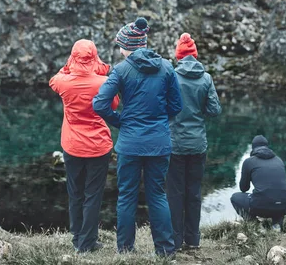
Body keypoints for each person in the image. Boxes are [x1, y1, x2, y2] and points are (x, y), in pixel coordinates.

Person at [92, 17, 183, 257]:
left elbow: (100, 104)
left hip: (130, 144)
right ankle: (165, 251)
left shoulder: (121, 70)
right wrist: (160, 121)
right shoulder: (166, 67)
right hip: (159, 143)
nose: (119, 49)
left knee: (126, 197)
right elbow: (176, 105)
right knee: (158, 195)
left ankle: (125, 250)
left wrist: (121, 122)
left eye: (120, 44)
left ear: (127, 46)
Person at [49, 39, 119, 253]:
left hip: (72, 145)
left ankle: (77, 237)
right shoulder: (103, 82)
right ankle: (87, 242)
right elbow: (115, 104)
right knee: (93, 195)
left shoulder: (63, 82)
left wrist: (71, 65)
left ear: (72, 57)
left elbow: (55, 78)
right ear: (94, 58)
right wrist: (97, 68)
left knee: (75, 193)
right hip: (98, 146)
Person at [166, 33, 222, 251]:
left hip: (175, 145)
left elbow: (164, 107)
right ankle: (193, 240)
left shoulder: (171, 77)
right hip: (198, 144)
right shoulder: (206, 78)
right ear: (195, 55)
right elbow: (214, 110)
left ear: (179, 56)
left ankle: (176, 240)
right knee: (194, 193)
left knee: (175, 193)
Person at [230, 135, 286, 231]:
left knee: (235, 197)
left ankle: (255, 225)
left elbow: (244, 188)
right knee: (279, 195)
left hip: (261, 206)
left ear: (253, 147)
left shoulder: (249, 162)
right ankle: (277, 225)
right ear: (267, 146)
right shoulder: (278, 160)